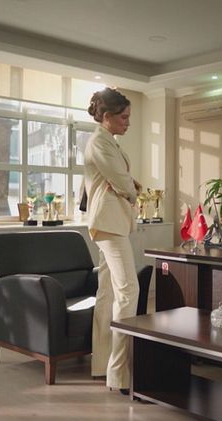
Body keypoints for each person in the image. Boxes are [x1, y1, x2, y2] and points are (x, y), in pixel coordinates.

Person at [83, 87, 141, 394]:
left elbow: (122, 179)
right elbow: (122, 182)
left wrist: (128, 185)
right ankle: (120, 373)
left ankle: (103, 364)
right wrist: (131, 189)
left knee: (106, 293)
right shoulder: (99, 142)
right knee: (129, 291)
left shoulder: (108, 142)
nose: (128, 122)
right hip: (108, 224)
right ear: (106, 116)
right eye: (123, 117)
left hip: (111, 223)